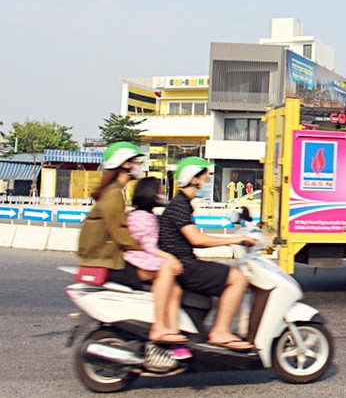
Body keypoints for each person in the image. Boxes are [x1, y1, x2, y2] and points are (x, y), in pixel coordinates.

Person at [158, 157, 256, 351]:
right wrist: (235, 240)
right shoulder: (180, 205)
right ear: (193, 179)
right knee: (237, 278)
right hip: (183, 266)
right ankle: (220, 331)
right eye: (205, 176)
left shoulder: (184, 204)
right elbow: (197, 239)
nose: (208, 180)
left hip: (184, 263)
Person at [125, 177, 187, 344]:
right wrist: (171, 258)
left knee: (175, 290)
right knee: (167, 268)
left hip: (145, 257)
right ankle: (158, 326)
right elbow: (148, 247)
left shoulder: (149, 215)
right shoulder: (140, 217)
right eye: (158, 191)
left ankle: (172, 330)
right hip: (136, 260)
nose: (161, 195)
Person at [78, 142, 146, 291]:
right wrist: (143, 248)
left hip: (103, 257)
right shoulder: (114, 194)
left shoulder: (113, 191)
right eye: (135, 162)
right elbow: (118, 231)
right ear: (125, 164)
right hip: (105, 260)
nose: (138, 166)